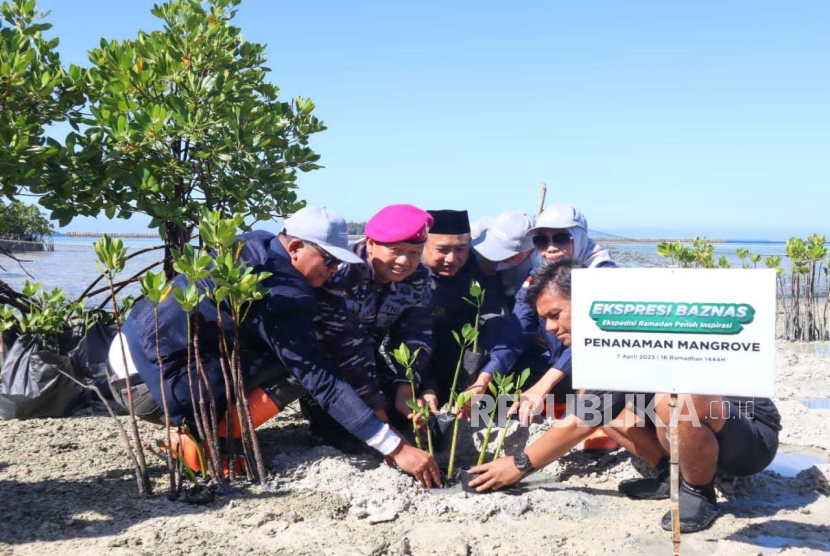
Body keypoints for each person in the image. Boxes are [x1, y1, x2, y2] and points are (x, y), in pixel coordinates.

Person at [107, 206, 442, 488]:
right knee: (312, 360)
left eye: (339, 262)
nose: (335, 270)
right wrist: (394, 446)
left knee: (298, 352)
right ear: (295, 246)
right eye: (328, 261)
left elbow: (414, 331)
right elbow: (322, 380)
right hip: (151, 390)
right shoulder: (284, 294)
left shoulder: (256, 244)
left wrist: (408, 383)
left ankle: (206, 425)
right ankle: (203, 438)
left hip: (130, 355)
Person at [468, 258, 781, 533]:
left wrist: (520, 465)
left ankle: (698, 491)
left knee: (675, 398)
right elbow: (592, 409)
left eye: (555, 314)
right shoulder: (602, 341)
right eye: (543, 319)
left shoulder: (633, 330)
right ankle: (668, 475)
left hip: (748, 437)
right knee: (602, 403)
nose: (549, 328)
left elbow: (582, 421)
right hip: (690, 432)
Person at [312, 204, 438, 438]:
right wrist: (381, 424)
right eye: (396, 250)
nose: (405, 261)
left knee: (408, 418)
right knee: (347, 431)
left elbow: (416, 333)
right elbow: (345, 348)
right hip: (327, 365)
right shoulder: (340, 273)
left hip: (369, 358)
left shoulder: (418, 277)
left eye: (414, 252)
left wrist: (407, 387)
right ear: (370, 244)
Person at [421, 209, 507, 405]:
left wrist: (482, 375)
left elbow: (496, 324)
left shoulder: (482, 272)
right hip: (421, 363)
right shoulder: (408, 276)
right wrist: (424, 383)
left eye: (460, 249)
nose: (452, 259)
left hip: (473, 365)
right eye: (442, 250)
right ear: (423, 246)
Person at [473, 210, 536, 310]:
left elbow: (520, 301)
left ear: (531, 251)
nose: (499, 258)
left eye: (509, 256)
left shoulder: (534, 265)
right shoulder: (479, 230)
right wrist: (480, 258)